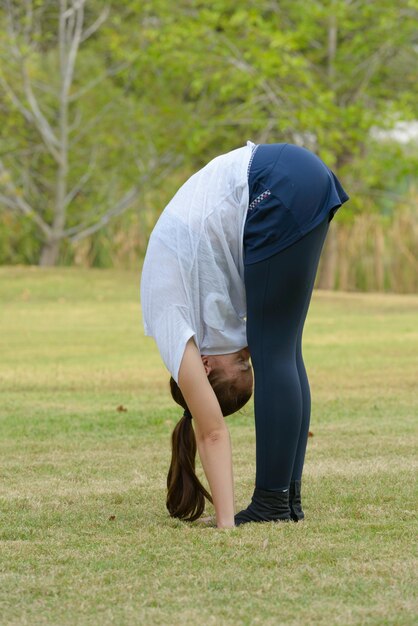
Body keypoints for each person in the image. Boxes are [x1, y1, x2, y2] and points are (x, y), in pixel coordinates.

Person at [140, 140, 349, 529]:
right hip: (294, 178)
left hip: (275, 184)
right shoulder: (206, 318)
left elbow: (212, 431)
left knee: (276, 355)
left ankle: (271, 503)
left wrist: (225, 523)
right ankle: (288, 498)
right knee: (283, 352)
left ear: (204, 366)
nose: (245, 353)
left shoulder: (171, 323)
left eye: (239, 362)